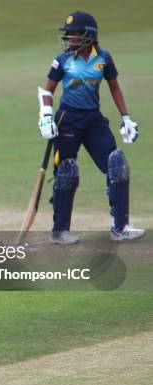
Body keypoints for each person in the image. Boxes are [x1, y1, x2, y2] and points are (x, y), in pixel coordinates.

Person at [37, 10, 145, 244]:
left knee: (117, 165)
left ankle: (120, 227)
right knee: (67, 171)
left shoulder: (103, 58)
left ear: (87, 34)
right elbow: (48, 91)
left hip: (94, 120)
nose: (69, 38)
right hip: (67, 119)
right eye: (67, 34)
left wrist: (126, 117)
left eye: (73, 33)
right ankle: (60, 230)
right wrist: (46, 116)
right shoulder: (62, 59)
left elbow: (114, 87)